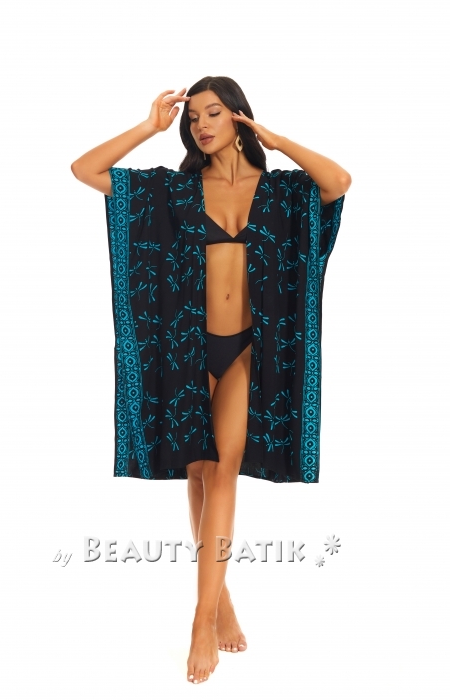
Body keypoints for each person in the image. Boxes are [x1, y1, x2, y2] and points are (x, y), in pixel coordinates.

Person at [71, 76, 352, 685]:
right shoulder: (172, 190)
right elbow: (85, 170)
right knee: (199, 470)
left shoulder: (282, 192)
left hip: (247, 347)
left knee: (223, 468)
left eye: (214, 113)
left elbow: (338, 182)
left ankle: (200, 619)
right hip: (187, 347)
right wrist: (148, 126)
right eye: (193, 116)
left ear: (239, 117)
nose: (200, 124)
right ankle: (219, 596)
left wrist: (276, 142)